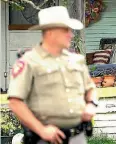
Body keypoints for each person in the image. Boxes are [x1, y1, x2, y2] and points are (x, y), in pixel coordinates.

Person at [8, 6, 98, 144]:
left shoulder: (76, 60)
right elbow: (15, 102)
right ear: (50, 32)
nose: (71, 34)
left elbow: (90, 88)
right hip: (44, 138)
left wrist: (91, 104)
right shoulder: (29, 61)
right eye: (66, 30)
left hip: (77, 137)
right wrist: (41, 130)